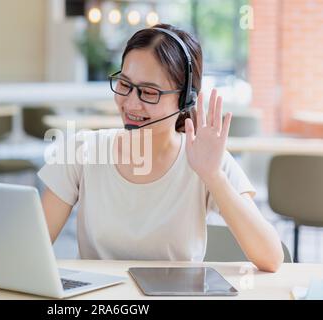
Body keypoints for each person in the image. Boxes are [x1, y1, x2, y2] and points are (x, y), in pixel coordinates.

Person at [38, 24, 283, 272]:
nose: (131, 103)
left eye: (148, 92)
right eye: (124, 84)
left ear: (185, 98)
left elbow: (271, 257)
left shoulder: (206, 159)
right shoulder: (82, 151)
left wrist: (213, 176)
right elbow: (33, 250)